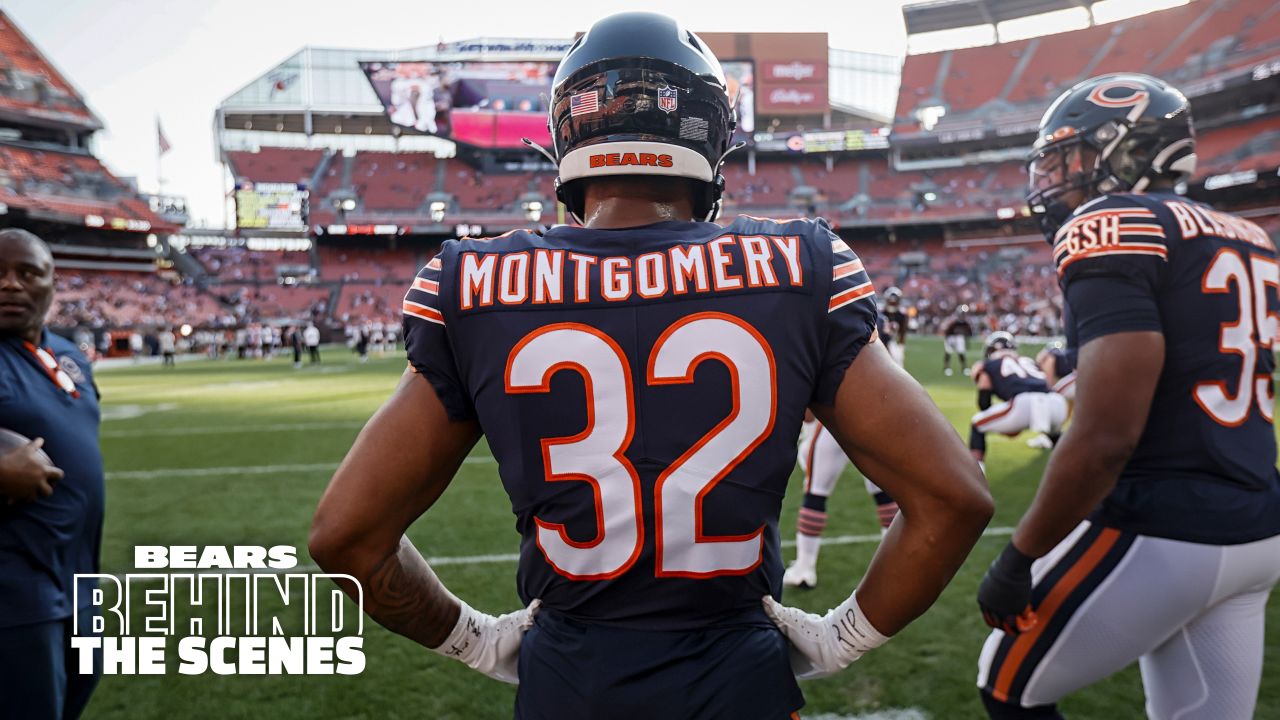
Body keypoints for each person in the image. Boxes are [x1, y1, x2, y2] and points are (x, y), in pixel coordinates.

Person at [311, 13, 992, 720]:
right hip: (738, 678)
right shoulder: (801, 265)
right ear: (709, 133)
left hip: (572, 682)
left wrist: (473, 639)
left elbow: (345, 536)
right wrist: (841, 638)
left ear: (566, 135)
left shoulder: (473, 281)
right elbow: (954, 498)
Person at [976, 73, 1280, 720]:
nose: (1054, 177)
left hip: (1164, 525)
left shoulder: (1113, 222)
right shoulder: (1249, 235)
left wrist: (1020, 553)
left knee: (1008, 685)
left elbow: (1107, 436)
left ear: (1130, 150)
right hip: (1257, 523)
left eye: (1070, 156)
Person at [0, 228, 104, 718]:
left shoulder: (69, 355)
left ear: (52, 282)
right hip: (16, 588)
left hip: (80, 578)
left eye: (27, 273)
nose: (10, 285)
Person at [782, 412, 901, 590]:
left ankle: (804, 569)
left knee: (816, 493)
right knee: (883, 494)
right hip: (872, 420)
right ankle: (896, 560)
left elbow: (809, 412)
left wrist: (808, 428)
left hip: (836, 419)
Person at [968, 331, 1068, 462]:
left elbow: (984, 402)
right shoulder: (1027, 361)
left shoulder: (987, 365)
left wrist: (1008, 422)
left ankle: (977, 471)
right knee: (1055, 435)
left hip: (1025, 403)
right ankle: (1078, 469)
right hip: (1057, 402)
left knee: (977, 424)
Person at [880, 286, 908, 367]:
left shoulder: (901, 315)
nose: (893, 303)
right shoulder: (881, 314)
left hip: (895, 342)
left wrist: (901, 345)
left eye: (894, 302)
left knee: (898, 365)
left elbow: (902, 332)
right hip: (883, 343)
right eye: (891, 301)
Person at [942, 306, 973, 376]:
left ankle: (964, 368)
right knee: (948, 352)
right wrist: (948, 340)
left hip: (959, 338)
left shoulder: (965, 322)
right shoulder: (953, 321)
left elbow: (968, 332)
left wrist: (966, 340)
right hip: (951, 337)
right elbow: (947, 331)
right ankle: (947, 368)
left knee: (961, 352)